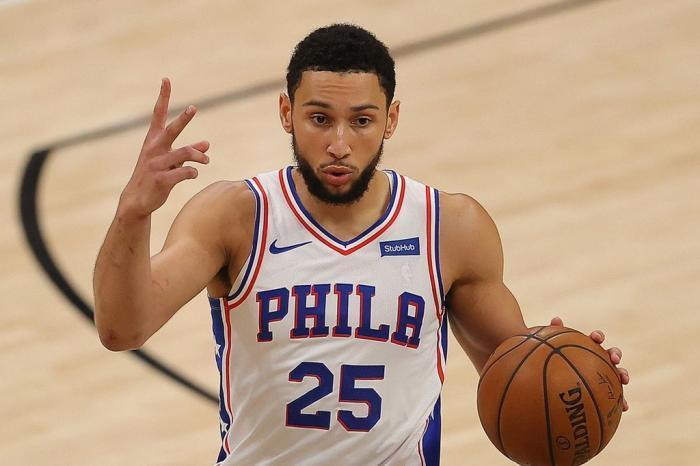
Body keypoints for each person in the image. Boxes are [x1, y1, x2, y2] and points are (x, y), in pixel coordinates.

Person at [93, 24, 629, 465]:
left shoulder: (449, 228)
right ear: (286, 113)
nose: (339, 144)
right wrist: (131, 214)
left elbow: (516, 369)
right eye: (319, 119)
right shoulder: (235, 217)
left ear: (391, 119)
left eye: (362, 121)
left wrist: (581, 378)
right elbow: (122, 328)